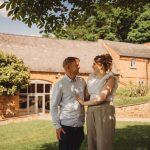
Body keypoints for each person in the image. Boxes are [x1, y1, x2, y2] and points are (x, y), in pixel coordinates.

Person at [76, 54, 118, 150]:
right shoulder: (91, 77)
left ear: (101, 66)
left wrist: (83, 103)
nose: (92, 66)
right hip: (91, 111)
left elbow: (102, 98)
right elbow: (87, 95)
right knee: (92, 141)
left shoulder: (110, 78)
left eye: (94, 64)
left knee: (103, 142)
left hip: (104, 111)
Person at [50, 57, 86, 150]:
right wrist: (57, 126)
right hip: (66, 127)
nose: (79, 67)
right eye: (76, 65)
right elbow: (53, 106)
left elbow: (86, 99)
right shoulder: (59, 84)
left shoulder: (82, 81)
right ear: (68, 67)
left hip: (79, 126)